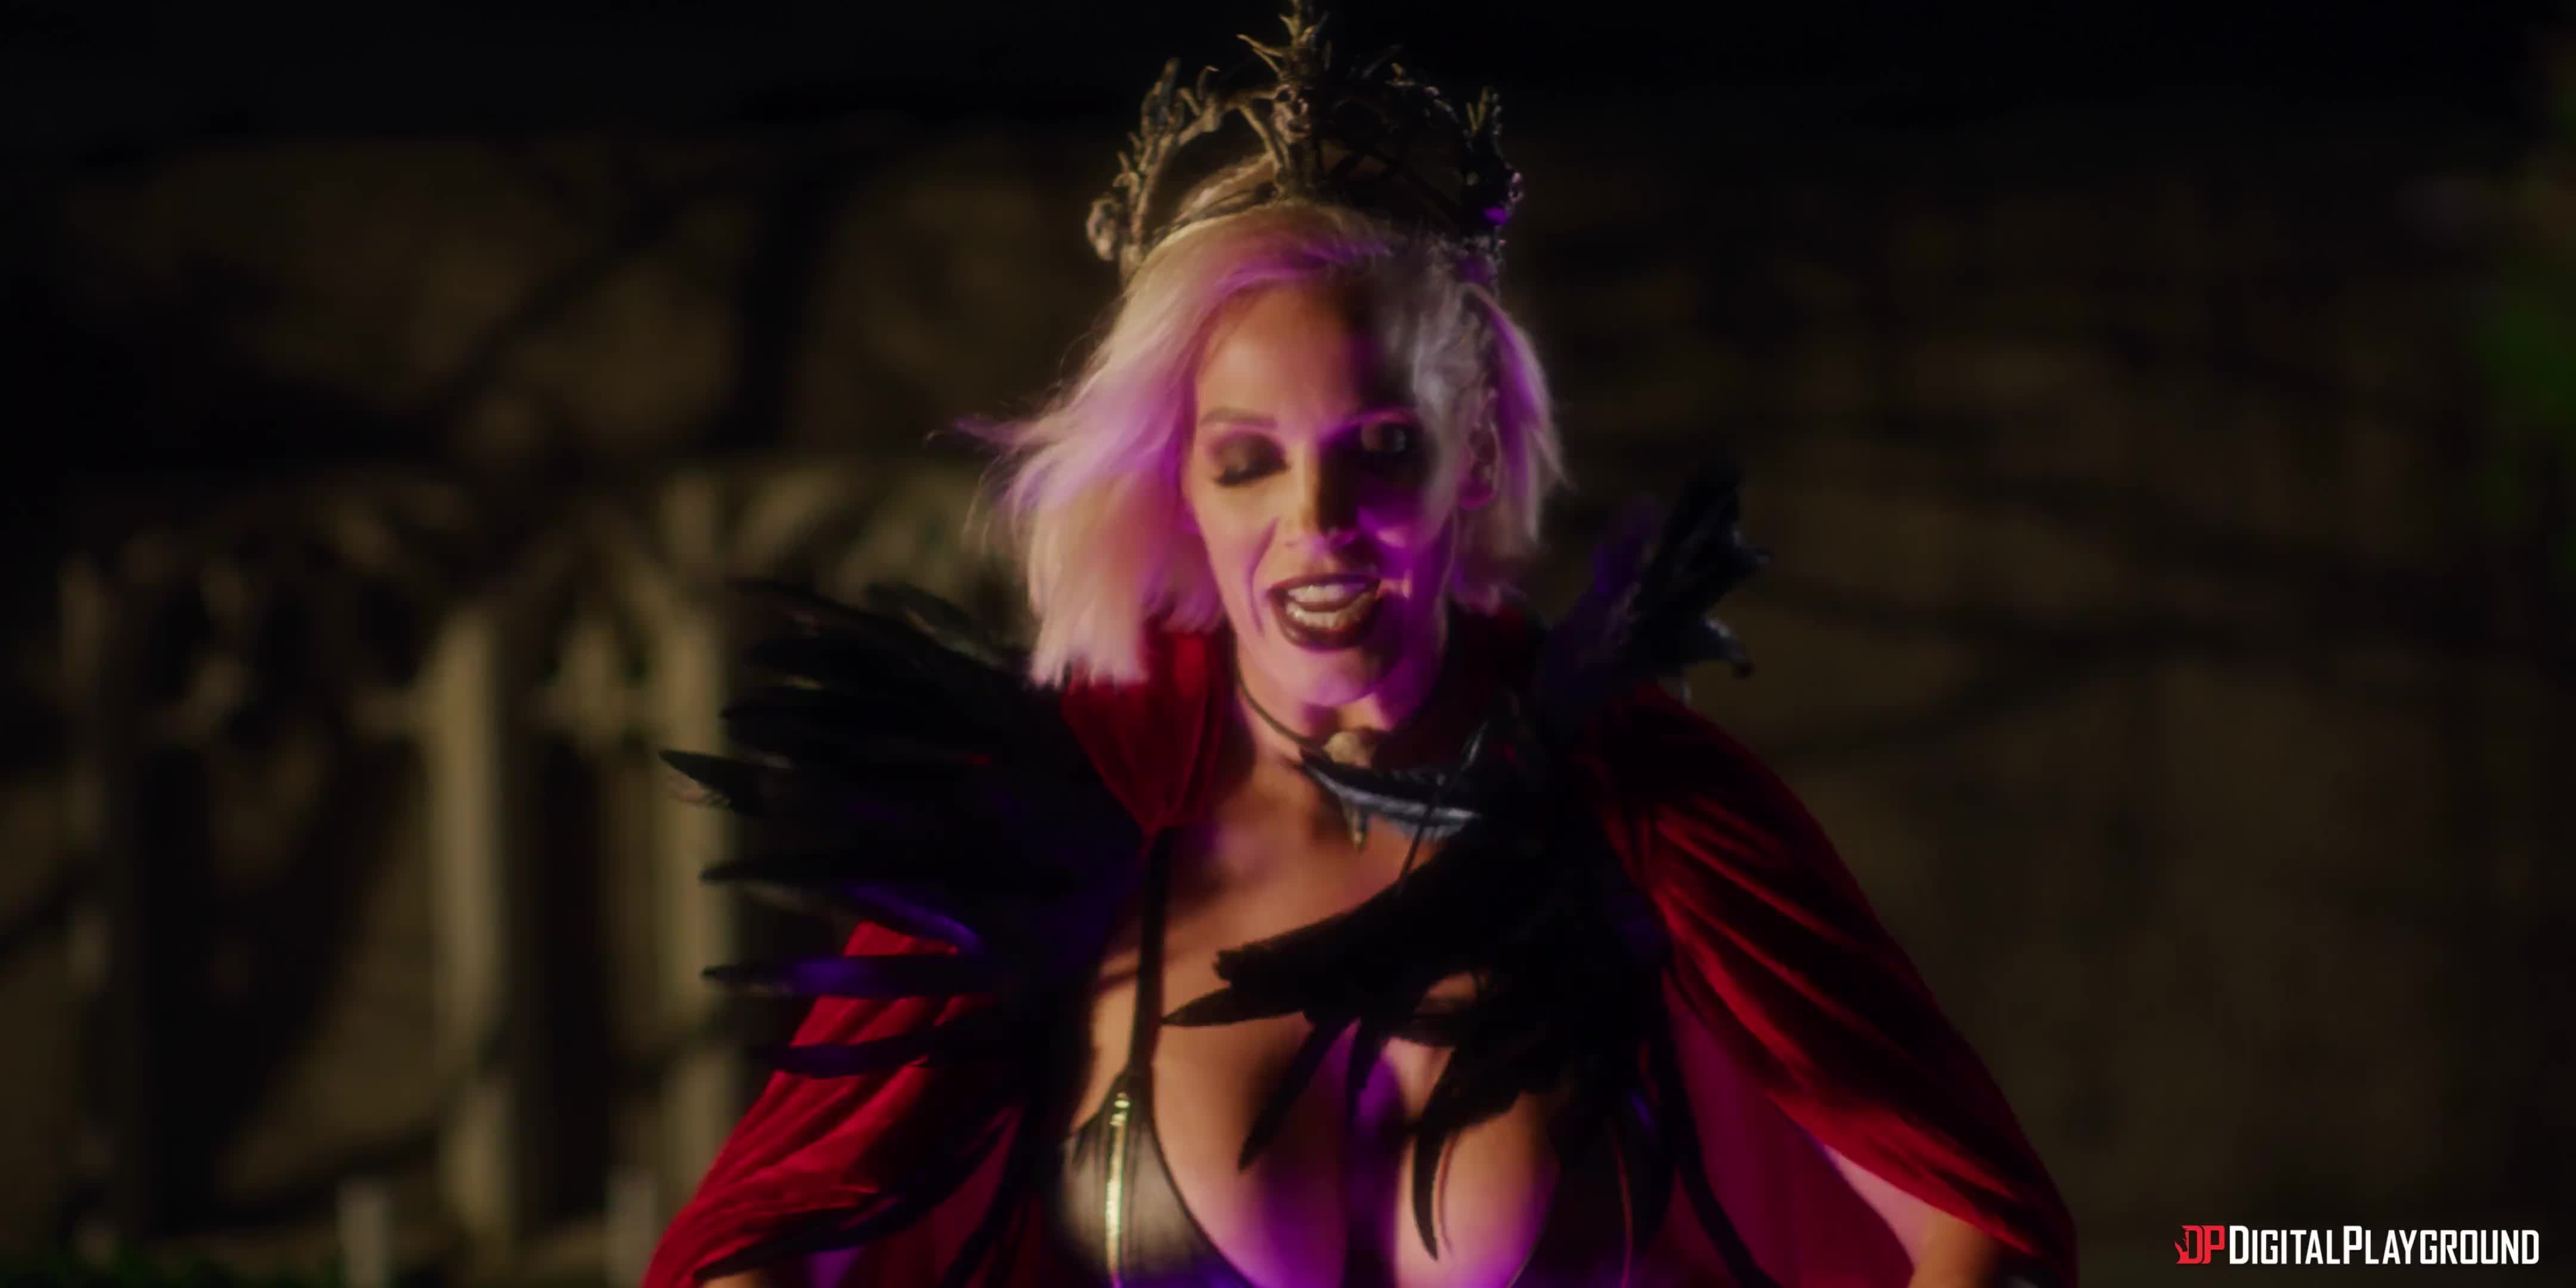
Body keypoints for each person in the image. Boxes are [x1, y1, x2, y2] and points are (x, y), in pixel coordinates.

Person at [646, 5, 2076, 1285]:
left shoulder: (1648, 813)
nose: (1317, 523)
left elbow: (1984, 1224)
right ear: (1179, 484)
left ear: (1473, 457)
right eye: (1247, 461)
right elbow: (755, 1239)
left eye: (1381, 448)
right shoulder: (1057, 831)